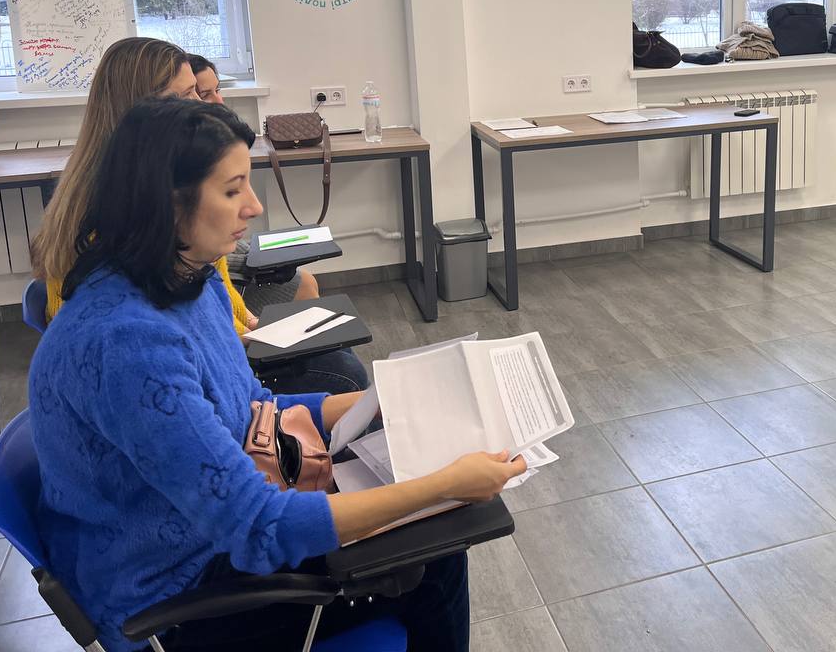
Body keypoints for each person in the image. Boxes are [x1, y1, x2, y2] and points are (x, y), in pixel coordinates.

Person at [29, 97, 525, 652]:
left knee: (429, 527)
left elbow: (252, 409)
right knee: (435, 555)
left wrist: (375, 400)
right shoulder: (126, 344)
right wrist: (443, 486)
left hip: (208, 534)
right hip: (176, 598)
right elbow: (258, 527)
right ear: (166, 205)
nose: (255, 206)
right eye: (232, 190)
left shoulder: (188, 279)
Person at [32, 37, 366, 394]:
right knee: (344, 374)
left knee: (332, 346)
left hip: (200, 341)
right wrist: (246, 344)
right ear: (145, 109)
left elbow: (211, 293)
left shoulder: (138, 182)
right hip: (179, 362)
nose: (203, 104)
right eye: (186, 95)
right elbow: (170, 333)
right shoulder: (119, 215)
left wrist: (250, 327)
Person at [188, 53, 321, 312]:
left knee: (306, 282)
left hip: (226, 275)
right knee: (304, 286)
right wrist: (257, 263)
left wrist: (261, 256)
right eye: (204, 94)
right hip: (221, 285)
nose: (219, 101)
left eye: (218, 90)